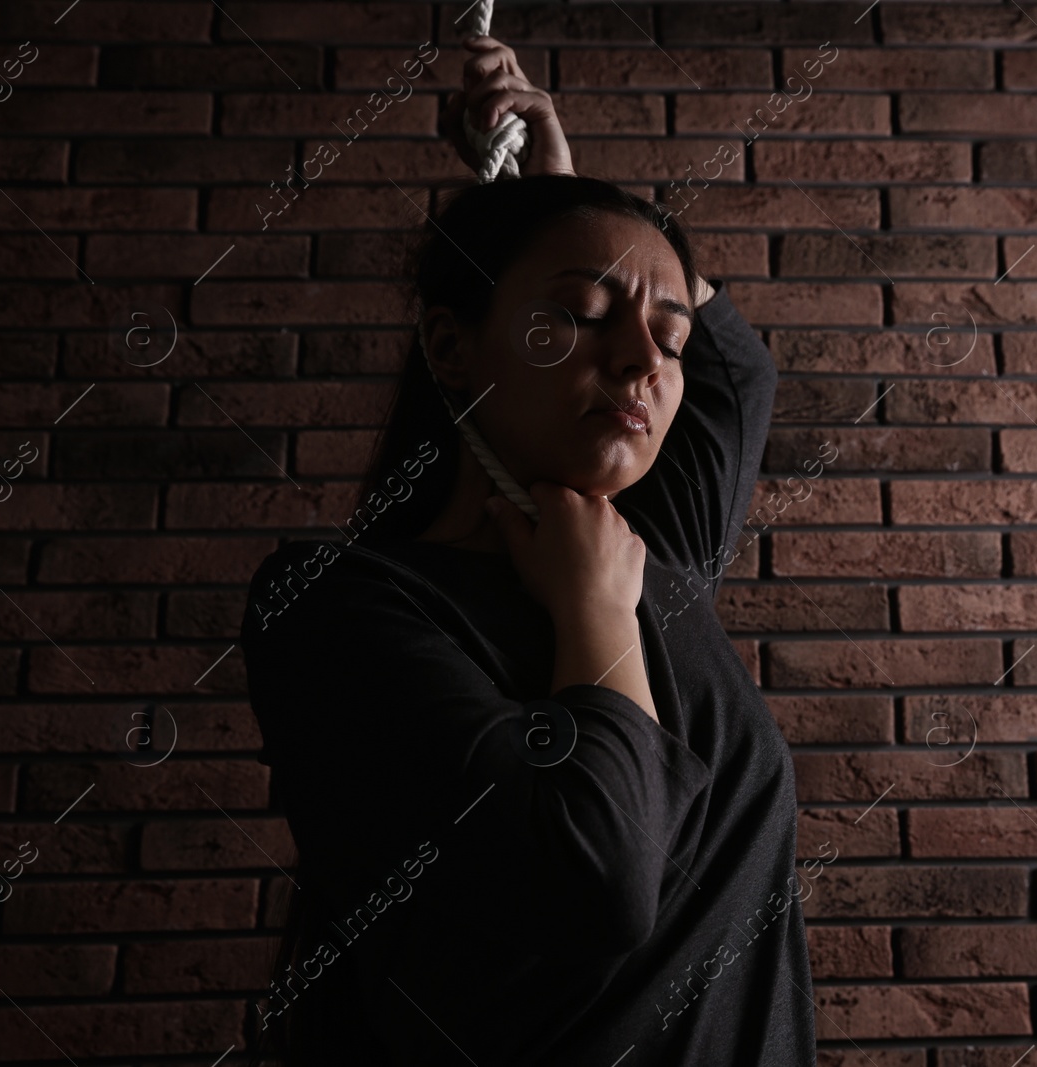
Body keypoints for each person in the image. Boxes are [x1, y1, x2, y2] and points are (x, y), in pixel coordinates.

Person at [239, 34, 817, 1067]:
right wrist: (594, 613)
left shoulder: (663, 557)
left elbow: (739, 381)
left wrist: (558, 190)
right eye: (579, 314)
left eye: (666, 338)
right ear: (453, 346)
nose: (643, 357)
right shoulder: (335, 605)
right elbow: (593, 881)